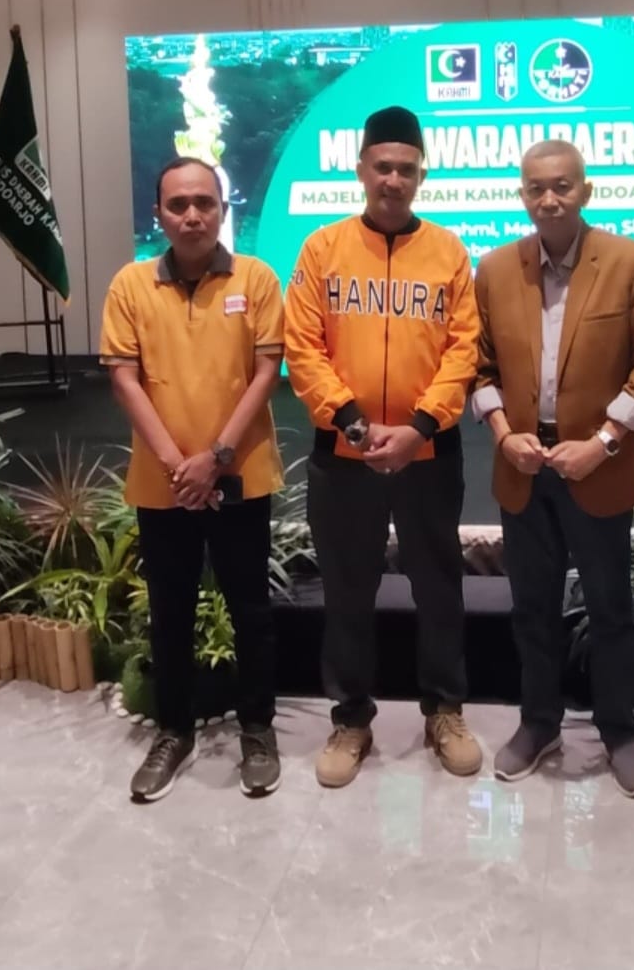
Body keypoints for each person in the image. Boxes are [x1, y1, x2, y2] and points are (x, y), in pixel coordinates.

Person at [283, 105, 482, 789]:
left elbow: (463, 350)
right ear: (361, 170)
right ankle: (350, 719)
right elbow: (303, 348)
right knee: (347, 591)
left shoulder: (449, 252)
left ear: (422, 175)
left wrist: (419, 427)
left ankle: (445, 712)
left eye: (406, 169)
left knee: (440, 588)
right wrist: (355, 425)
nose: (393, 179)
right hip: (346, 456)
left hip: (429, 454)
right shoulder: (322, 249)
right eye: (383, 167)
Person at [472, 140, 634, 798]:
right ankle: (539, 723)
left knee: (611, 609)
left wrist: (605, 442)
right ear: (522, 195)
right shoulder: (495, 269)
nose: (549, 199)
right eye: (536, 188)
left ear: (586, 189)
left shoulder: (632, 262)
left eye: (562, 186)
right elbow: (479, 366)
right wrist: (504, 435)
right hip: (524, 466)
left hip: (600, 465)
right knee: (531, 609)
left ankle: (619, 731)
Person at [100, 156, 284, 803]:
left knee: (251, 610)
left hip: (240, 476)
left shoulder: (256, 278)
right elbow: (125, 379)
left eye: (204, 202)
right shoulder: (130, 284)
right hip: (165, 484)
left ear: (222, 210)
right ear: (159, 214)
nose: (192, 215)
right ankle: (173, 730)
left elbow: (266, 373)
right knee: (170, 612)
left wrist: (217, 456)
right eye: (178, 204)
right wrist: (181, 466)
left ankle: (258, 729)